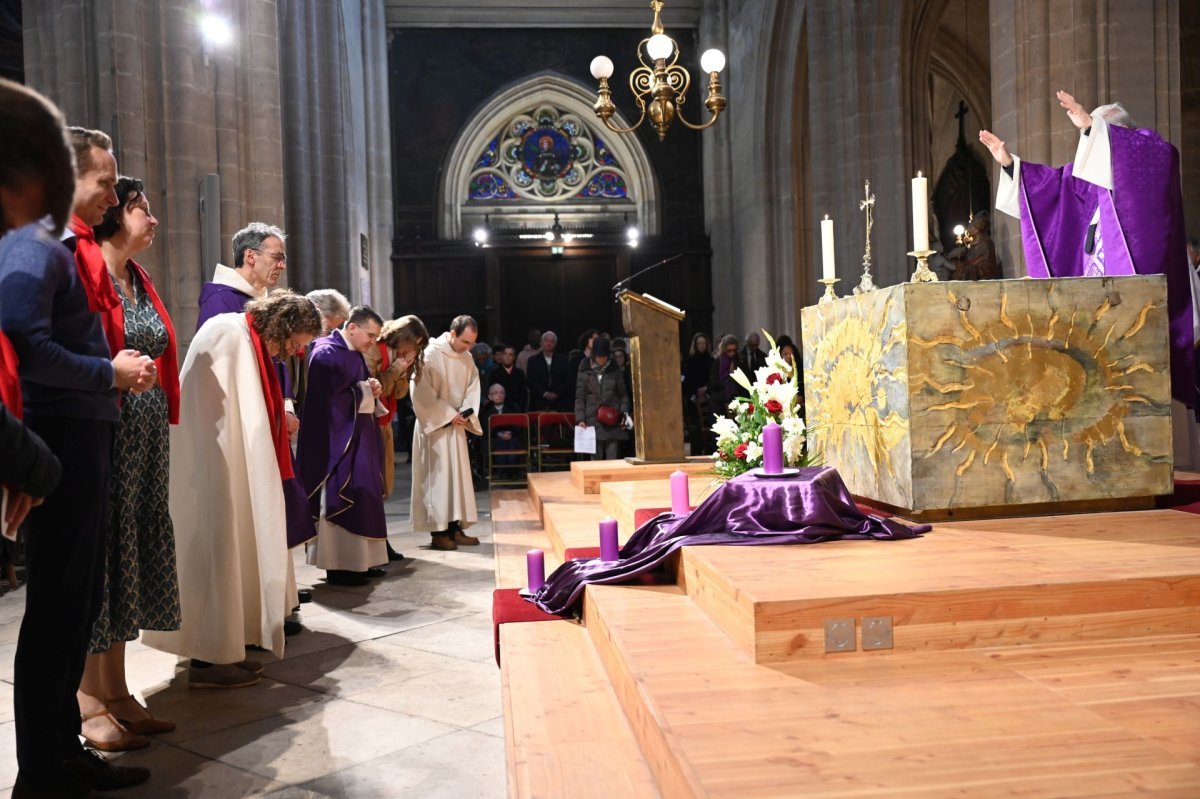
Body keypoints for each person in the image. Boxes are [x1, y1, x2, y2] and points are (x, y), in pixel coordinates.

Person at [0, 89, 154, 796]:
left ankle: (60, 750)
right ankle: (41, 770)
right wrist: (107, 371)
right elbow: (24, 346)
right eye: (104, 179)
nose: (114, 193)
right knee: (57, 608)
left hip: (84, 434)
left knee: (77, 604)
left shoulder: (68, 249)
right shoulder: (34, 248)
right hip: (58, 438)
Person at [141, 293, 321, 688]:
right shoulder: (227, 332)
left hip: (233, 466)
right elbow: (206, 411)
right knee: (216, 559)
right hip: (213, 470)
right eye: (298, 341)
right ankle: (207, 661)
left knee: (234, 558)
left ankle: (226, 649)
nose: (297, 350)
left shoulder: (248, 339)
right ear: (282, 324)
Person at [981, 91, 1194, 407]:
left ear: (1118, 139)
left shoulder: (1154, 155)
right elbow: (1047, 188)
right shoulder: (1085, 183)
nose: (1087, 147)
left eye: (1093, 136)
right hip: (1094, 312)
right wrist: (1011, 165)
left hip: (1137, 312)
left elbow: (1153, 160)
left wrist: (1092, 127)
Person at [76, 176, 181, 752]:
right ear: (114, 213)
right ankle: (87, 696)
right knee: (106, 555)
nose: (153, 220)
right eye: (143, 209)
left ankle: (115, 688)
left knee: (129, 552)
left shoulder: (137, 280)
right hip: (109, 431)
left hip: (144, 438)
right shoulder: (86, 268)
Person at [299, 306, 396, 587]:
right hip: (337, 442)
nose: (373, 343)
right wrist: (364, 390)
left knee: (365, 495)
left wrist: (372, 386)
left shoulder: (354, 353)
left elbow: (356, 387)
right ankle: (339, 565)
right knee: (343, 495)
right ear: (352, 327)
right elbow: (326, 402)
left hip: (359, 436)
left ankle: (361, 561)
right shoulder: (325, 353)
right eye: (371, 335)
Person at [410, 315, 483, 551]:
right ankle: (438, 532)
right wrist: (448, 414)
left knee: (456, 480)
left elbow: (473, 386)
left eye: (472, 343)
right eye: (465, 342)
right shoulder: (430, 353)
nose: (468, 347)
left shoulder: (467, 358)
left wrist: (465, 412)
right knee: (437, 480)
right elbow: (421, 391)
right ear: (452, 334)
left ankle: (455, 528)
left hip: (457, 425)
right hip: (435, 427)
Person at [363, 314, 429, 563]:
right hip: (368, 423)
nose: (414, 350)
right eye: (413, 344)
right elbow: (375, 386)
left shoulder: (400, 356)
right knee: (373, 483)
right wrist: (397, 369)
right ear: (402, 337)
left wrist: (403, 370)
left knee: (384, 484)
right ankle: (376, 541)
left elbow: (399, 392)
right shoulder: (374, 349)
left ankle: (381, 539)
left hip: (385, 421)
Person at [195, 222, 287, 331]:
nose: (282, 266)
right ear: (250, 256)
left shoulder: (261, 301)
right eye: (276, 257)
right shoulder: (220, 300)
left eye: (283, 259)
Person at [575, 337, 630, 460]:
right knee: (595, 461)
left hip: (612, 418)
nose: (602, 359)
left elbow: (623, 394)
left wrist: (624, 413)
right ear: (594, 355)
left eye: (604, 356)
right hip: (592, 420)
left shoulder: (614, 368)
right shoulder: (584, 368)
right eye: (599, 356)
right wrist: (580, 419)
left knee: (613, 459)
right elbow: (580, 397)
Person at [682, 332, 714, 454]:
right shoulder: (689, 361)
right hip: (693, 400)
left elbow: (712, 379)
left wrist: (706, 389)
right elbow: (686, 382)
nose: (702, 345)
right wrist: (694, 395)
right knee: (695, 431)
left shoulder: (711, 361)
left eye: (704, 343)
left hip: (708, 399)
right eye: (699, 343)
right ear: (695, 345)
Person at [945, 212, 1000, 281]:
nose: (968, 229)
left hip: (984, 275)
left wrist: (967, 264)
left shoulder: (986, 242)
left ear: (977, 228)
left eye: (971, 227)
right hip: (973, 271)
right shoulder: (971, 245)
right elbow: (969, 258)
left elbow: (984, 259)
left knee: (965, 270)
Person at [526, 330, 572, 411]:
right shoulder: (532, 361)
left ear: (555, 344)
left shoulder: (564, 360)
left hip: (559, 403)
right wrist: (545, 394)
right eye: (546, 340)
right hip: (538, 403)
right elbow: (531, 381)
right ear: (541, 342)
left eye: (552, 341)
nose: (549, 343)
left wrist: (556, 394)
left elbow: (568, 380)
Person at [709, 334, 750, 415]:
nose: (732, 353)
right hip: (720, 401)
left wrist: (735, 376)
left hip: (737, 399)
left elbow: (746, 383)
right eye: (729, 350)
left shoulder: (740, 362)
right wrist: (728, 377)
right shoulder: (717, 362)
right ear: (724, 349)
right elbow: (713, 384)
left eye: (734, 350)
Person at [487, 343, 527, 410]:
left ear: (514, 357)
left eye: (510, 354)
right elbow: (491, 392)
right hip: (500, 409)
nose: (507, 357)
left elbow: (524, 394)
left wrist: (519, 408)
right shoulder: (495, 373)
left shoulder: (520, 373)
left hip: (517, 409)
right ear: (502, 356)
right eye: (505, 354)